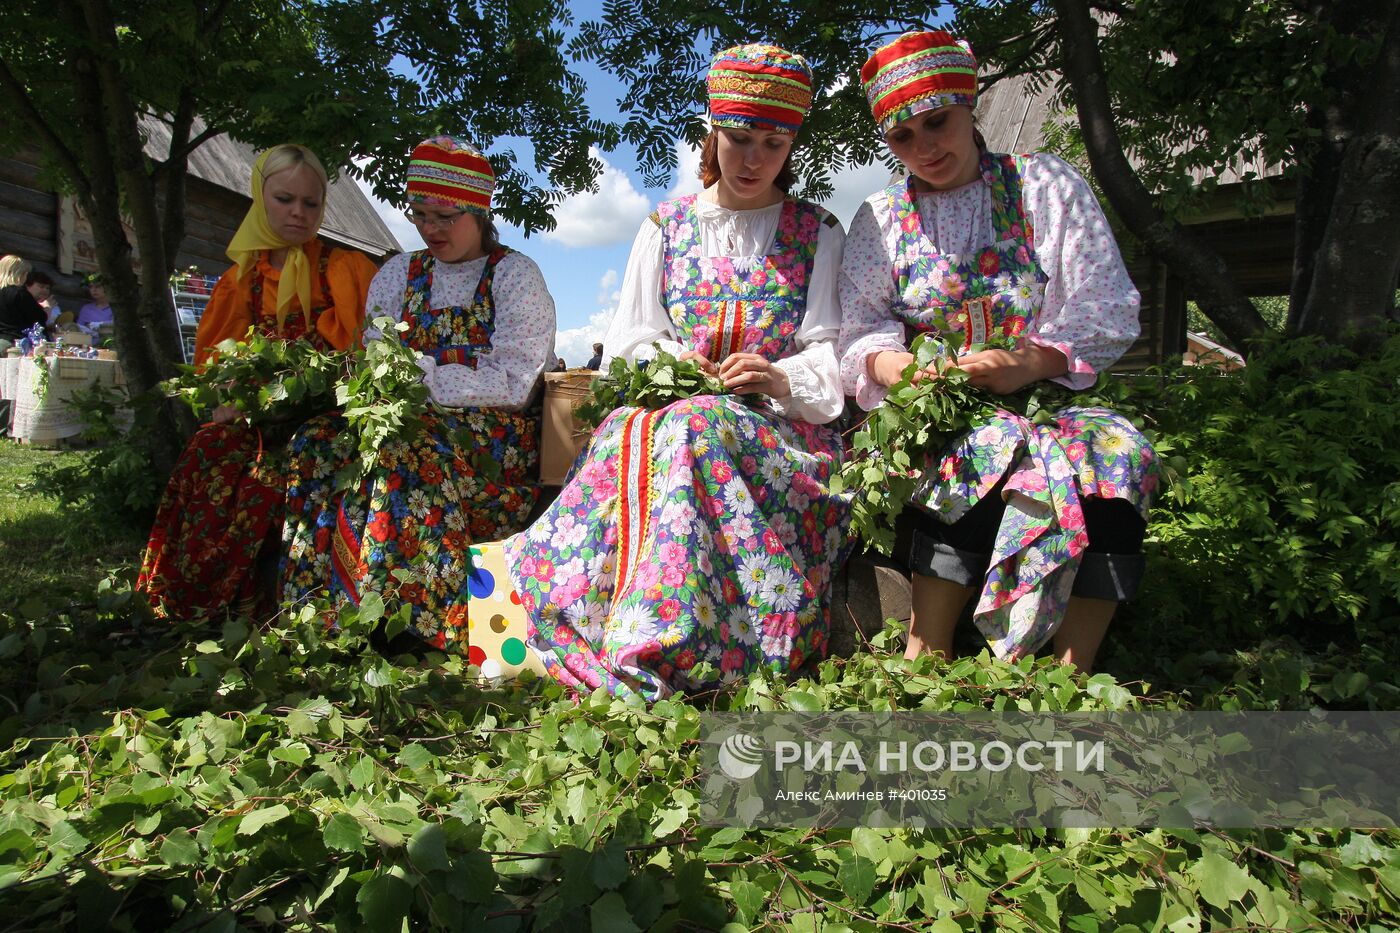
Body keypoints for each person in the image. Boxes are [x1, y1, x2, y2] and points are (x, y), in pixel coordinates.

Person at [506, 44, 853, 699]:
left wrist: (778, 376)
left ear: (792, 147)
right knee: (625, 430)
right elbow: (630, 345)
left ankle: (664, 642)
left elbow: (831, 354)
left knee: (689, 426)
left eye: (773, 144)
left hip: (782, 438)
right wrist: (673, 363)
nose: (753, 160)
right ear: (712, 132)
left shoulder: (818, 232)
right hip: (677, 418)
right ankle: (562, 611)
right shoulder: (665, 228)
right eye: (739, 138)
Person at [838, 31, 1158, 673]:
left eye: (937, 122)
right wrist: (896, 367)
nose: (925, 147)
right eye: (902, 137)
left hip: (1047, 398)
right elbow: (859, 327)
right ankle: (929, 646)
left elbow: (1106, 300)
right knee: (977, 451)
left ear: (969, 106)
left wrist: (1034, 361)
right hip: (934, 406)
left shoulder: (1042, 185)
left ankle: (1072, 667)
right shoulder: (881, 218)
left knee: (1118, 458)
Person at [281, 136, 555, 652]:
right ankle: (317, 608)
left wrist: (419, 378)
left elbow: (515, 383)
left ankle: (413, 624)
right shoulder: (397, 275)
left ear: (480, 210)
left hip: (495, 435)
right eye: (420, 214)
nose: (430, 228)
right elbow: (377, 356)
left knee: (406, 448)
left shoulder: (514, 275)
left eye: (445, 216)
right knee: (314, 440)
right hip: (408, 418)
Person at [137, 144, 379, 619]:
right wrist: (229, 400)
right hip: (256, 416)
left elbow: (366, 353)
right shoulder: (241, 280)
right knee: (211, 452)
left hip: (331, 415)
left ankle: (298, 605)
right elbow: (218, 365)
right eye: (285, 199)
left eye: (310, 203)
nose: (298, 213)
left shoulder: (345, 269)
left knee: (292, 465)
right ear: (259, 198)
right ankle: (197, 603)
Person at [0, 256, 47, 349]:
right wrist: (47, 308)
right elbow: (38, 319)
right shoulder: (19, 293)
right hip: (15, 343)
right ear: (22, 274)